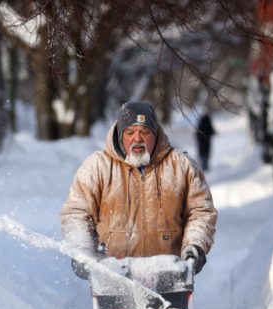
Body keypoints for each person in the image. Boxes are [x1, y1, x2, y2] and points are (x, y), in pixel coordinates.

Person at [60, 101, 217, 281]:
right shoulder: (96, 167)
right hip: (114, 279)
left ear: (155, 133)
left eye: (144, 132)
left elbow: (201, 211)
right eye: (130, 132)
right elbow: (77, 213)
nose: (137, 139)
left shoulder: (181, 165)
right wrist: (83, 250)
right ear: (120, 135)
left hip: (170, 277)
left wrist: (195, 246)